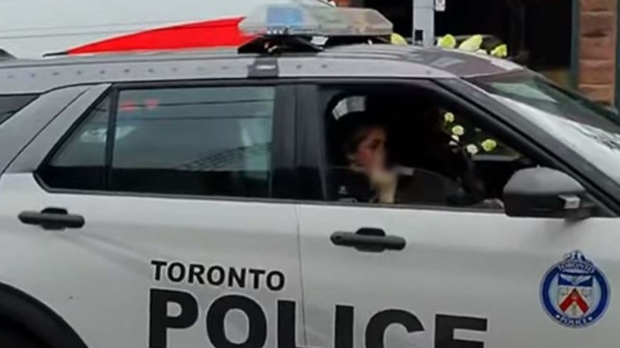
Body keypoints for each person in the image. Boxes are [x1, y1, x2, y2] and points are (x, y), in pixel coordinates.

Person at [335, 112, 398, 204]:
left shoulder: (377, 184)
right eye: (373, 146)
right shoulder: (337, 190)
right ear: (351, 153)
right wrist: (386, 194)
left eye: (384, 146)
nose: (382, 152)